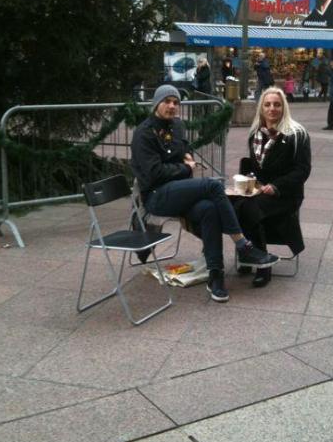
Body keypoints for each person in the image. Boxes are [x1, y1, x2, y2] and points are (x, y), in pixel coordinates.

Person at [131, 85, 279, 303]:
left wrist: (188, 156)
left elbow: (184, 148)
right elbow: (154, 173)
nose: (172, 106)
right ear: (156, 104)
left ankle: (216, 276)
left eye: (176, 102)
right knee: (213, 186)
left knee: (209, 210)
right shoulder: (144, 133)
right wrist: (186, 168)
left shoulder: (177, 125)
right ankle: (243, 245)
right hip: (156, 196)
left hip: (179, 191)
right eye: (167, 101)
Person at [232, 87, 311, 287]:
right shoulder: (255, 134)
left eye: (277, 104)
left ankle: (262, 264)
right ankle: (249, 254)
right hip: (261, 192)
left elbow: (302, 171)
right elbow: (255, 169)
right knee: (232, 204)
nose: (272, 108)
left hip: (286, 194)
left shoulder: (297, 134)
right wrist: (249, 183)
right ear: (261, 108)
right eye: (267, 104)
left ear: (284, 107)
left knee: (248, 208)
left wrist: (275, 186)